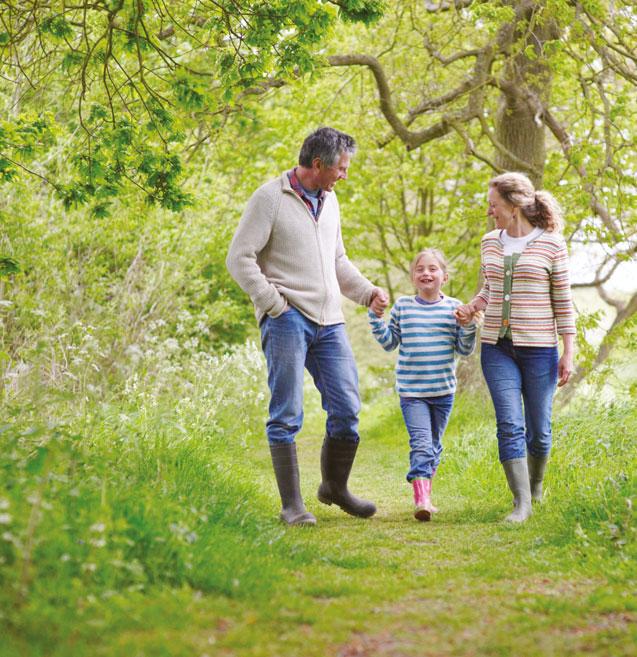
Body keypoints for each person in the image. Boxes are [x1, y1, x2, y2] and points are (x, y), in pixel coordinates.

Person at [226, 127, 389, 526]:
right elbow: (239, 258)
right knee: (286, 413)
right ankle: (292, 506)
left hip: (329, 322)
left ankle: (335, 487)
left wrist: (367, 293)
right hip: (287, 320)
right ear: (318, 165)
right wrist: (272, 304)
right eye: (341, 169)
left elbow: (337, 261)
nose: (344, 176)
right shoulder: (270, 199)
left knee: (348, 408)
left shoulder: (330, 202)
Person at [455, 172, 575, 523]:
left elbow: (563, 302)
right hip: (496, 347)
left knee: (539, 428)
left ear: (514, 205)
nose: (490, 212)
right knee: (509, 424)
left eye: (494, 205)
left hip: (540, 348)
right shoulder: (490, 242)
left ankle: (535, 486)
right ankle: (521, 502)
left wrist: (569, 351)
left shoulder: (552, 244)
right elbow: (490, 289)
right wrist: (472, 308)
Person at [368, 248, 477, 521]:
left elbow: (464, 350)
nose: (426, 273)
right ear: (412, 277)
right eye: (420, 269)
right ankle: (422, 499)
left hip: (443, 391)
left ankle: (426, 491)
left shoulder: (454, 308)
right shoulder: (403, 307)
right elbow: (388, 342)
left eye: (432, 269)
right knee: (422, 444)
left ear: (445, 276)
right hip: (412, 392)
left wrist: (468, 325)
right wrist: (375, 318)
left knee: (435, 445)